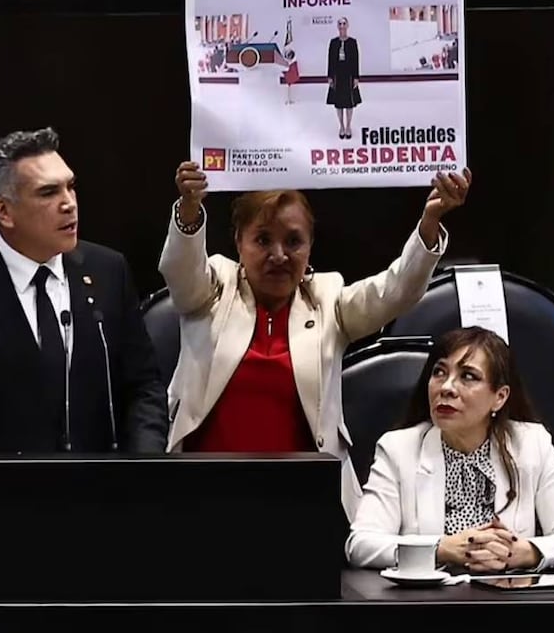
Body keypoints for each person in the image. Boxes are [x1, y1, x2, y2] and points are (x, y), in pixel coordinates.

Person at [160, 163, 471, 521]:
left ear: (309, 247)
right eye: (262, 239)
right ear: (238, 243)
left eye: (293, 241)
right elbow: (181, 272)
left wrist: (430, 223)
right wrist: (188, 208)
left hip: (304, 507)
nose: (278, 254)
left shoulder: (327, 298)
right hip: (205, 498)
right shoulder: (213, 289)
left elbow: (395, 291)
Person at [0, 126, 168, 453]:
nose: (69, 203)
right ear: (4, 211)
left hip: (103, 491)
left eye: (71, 187)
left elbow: (144, 387)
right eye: (48, 193)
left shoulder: (108, 272)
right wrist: (2, 478)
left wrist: (146, 467)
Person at [346, 327, 554, 572]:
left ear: (499, 397)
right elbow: (361, 545)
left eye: (468, 376)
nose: (446, 387)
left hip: (509, 603)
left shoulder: (533, 444)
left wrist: (528, 553)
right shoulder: (398, 448)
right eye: (439, 372)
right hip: (429, 605)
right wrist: (441, 548)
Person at [327, 16, 361, 139]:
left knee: (349, 103)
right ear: (337, 26)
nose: (342, 26)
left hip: (349, 75)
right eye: (340, 24)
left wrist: (356, 77)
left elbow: (356, 60)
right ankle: (341, 126)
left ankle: (348, 126)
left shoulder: (352, 42)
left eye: (344, 24)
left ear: (347, 26)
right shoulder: (333, 42)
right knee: (339, 103)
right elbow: (330, 60)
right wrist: (330, 76)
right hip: (337, 75)